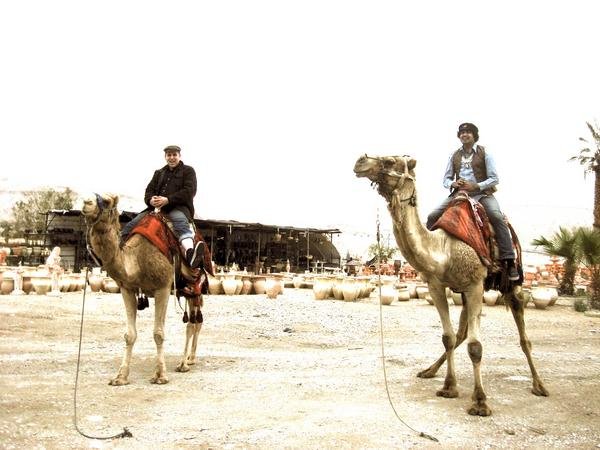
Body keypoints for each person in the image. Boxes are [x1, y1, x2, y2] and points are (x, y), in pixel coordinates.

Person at [426, 122, 519, 281]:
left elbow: (494, 179)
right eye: (462, 133)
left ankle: (509, 260)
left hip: (482, 194)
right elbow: (446, 179)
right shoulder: (454, 155)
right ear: (459, 136)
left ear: (474, 135)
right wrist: (453, 184)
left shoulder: (485, 153)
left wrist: (476, 186)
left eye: (468, 132)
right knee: (432, 216)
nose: (465, 135)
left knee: (496, 216)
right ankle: (429, 256)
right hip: (459, 194)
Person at [120, 145, 204, 269]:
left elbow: (189, 191)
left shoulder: (188, 171)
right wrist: (151, 200)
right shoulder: (159, 173)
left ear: (179, 156)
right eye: (169, 155)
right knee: (131, 224)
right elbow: (148, 191)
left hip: (178, 208)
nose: (172, 157)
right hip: (155, 209)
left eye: (174, 155)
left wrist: (168, 200)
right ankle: (118, 256)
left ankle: (190, 254)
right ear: (165, 157)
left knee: (180, 222)